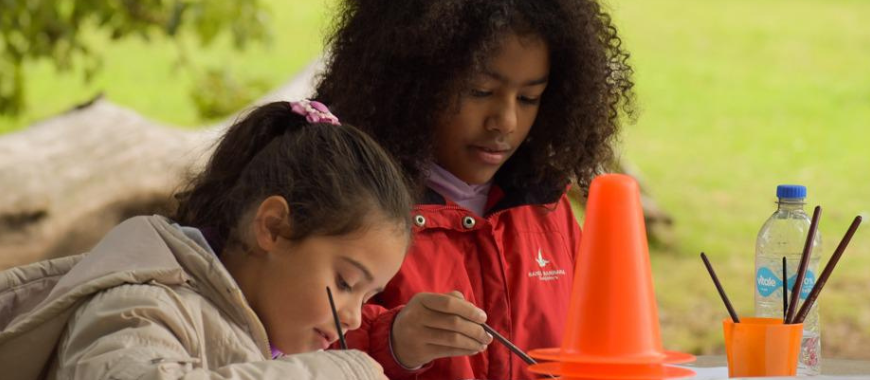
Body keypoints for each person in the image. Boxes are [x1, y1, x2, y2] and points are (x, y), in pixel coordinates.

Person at [315, 0, 635, 378]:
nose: (506, 121)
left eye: (529, 98)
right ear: (410, 83)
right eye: (480, 91)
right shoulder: (348, 206)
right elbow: (292, 352)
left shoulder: (549, 210)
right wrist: (394, 342)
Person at [0, 100, 414, 380]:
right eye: (344, 283)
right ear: (272, 227)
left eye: (367, 297)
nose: (354, 318)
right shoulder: (140, 306)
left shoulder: (271, 339)